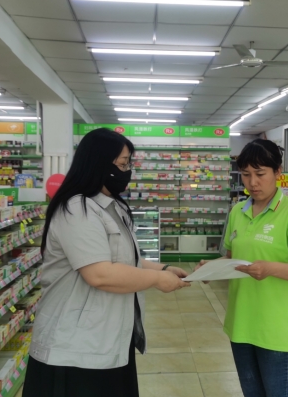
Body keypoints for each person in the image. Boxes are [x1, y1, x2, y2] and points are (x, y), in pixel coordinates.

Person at [23, 128, 190, 397]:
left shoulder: (113, 206)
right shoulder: (76, 209)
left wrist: (164, 268)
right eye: (122, 165)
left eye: (128, 165)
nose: (127, 172)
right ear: (98, 163)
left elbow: (125, 259)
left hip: (109, 337)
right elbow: (100, 273)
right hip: (75, 347)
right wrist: (158, 279)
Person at [195, 139, 288, 397]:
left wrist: (270, 269)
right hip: (241, 323)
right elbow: (233, 258)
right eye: (246, 174)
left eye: (260, 174)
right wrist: (210, 269)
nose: (252, 183)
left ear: (278, 172)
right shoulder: (237, 211)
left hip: (275, 329)